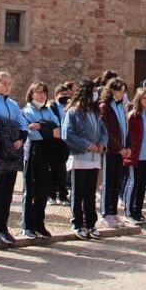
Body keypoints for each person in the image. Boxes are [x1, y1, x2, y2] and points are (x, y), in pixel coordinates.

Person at [0, 71, 27, 246]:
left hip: (14, 149)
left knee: (7, 191)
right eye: (4, 83)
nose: (7, 86)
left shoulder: (14, 104)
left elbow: (22, 123)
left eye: (10, 83)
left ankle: (2, 227)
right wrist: (13, 131)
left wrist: (21, 138)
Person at [62, 80, 108, 240]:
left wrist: (102, 143)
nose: (96, 94)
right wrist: (88, 145)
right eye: (93, 91)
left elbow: (103, 130)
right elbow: (67, 134)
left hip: (94, 158)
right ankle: (77, 222)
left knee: (90, 193)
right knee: (78, 192)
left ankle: (90, 223)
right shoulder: (73, 113)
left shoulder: (95, 113)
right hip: (80, 157)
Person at [21, 82, 62, 239]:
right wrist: (49, 130)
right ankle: (28, 225)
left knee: (43, 190)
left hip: (48, 152)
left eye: (44, 93)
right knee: (31, 190)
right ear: (32, 94)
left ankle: (39, 223)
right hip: (33, 152)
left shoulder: (49, 111)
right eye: (38, 93)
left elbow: (58, 129)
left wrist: (42, 127)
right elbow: (31, 133)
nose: (41, 96)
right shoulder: (26, 111)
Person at [98, 77, 130, 227]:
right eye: (119, 90)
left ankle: (113, 211)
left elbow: (125, 128)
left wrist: (127, 146)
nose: (121, 94)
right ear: (111, 90)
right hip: (111, 150)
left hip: (121, 150)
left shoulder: (121, 106)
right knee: (108, 181)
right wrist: (119, 147)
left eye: (123, 91)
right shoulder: (105, 107)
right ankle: (105, 213)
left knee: (116, 182)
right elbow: (107, 131)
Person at [123, 88, 146, 224]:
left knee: (142, 185)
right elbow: (128, 134)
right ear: (138, 99)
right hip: (136, 155)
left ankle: (138, 211)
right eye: (144, 98)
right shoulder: (133, 115)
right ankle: (129, 212)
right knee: (133, 184)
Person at [48, 83, 73, 205]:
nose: (64, 97)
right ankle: (51, 194)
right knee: (52, 168)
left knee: (62, 169)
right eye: (62, 94)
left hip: (65, 142)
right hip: (53, 141)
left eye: (66, 94)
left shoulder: (69, 107)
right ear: (56, 95)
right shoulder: (51, 107)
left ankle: (62, 194)